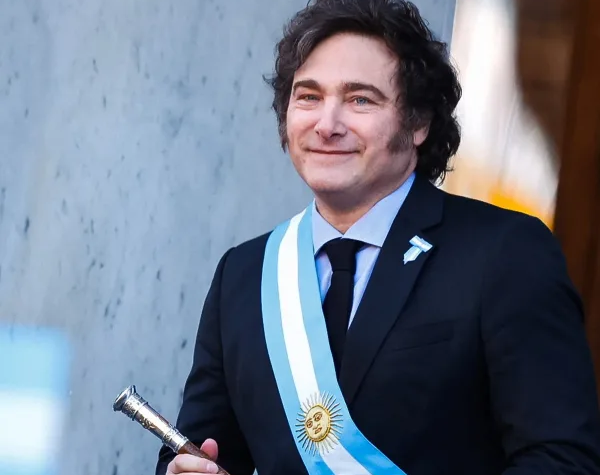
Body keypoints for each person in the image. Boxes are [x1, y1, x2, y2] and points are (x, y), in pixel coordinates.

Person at [156, 0, 600, 474]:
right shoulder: (244, 275)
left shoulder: (505, 253)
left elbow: (561, 461)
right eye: (308, 97)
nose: (327, 125)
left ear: (419, 122)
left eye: (360, 100)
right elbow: (201, 450)